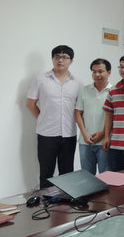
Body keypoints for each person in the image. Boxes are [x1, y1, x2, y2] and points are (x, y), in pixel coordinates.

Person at [26, 45, 83, 188]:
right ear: (52, 59)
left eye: (64, 57)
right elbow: (30, 103)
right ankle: (45, 201)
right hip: (46, 134)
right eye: (57, 56)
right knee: (46, 173)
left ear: (71, 61)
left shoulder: (78, 83)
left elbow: (80, 109)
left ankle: (65, 201)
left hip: (69, 134)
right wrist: (43, 118)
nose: (60, 60)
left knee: (67, 173)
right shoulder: (40, 79)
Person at [75, 58, 112, 175]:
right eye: (94, 71)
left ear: (109, 72)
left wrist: (103, 133)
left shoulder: (114, 91)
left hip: (105, 141)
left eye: (100, 71)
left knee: (106, 177)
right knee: (87, 178)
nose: (97, 75)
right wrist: (84, 134)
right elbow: (78, 113)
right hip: (85, 142)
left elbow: (115, 117)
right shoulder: (84, 90)